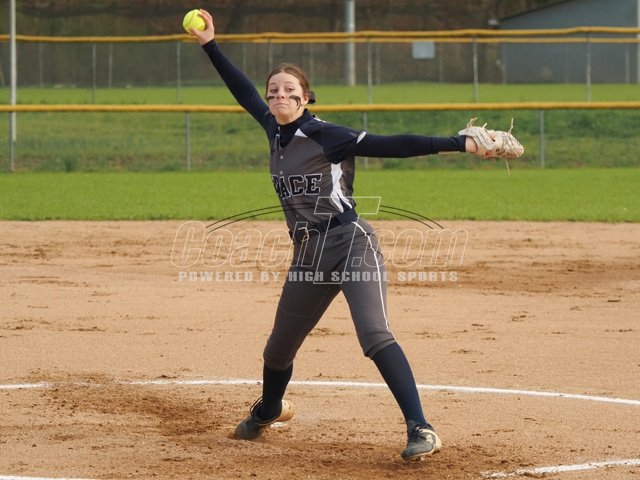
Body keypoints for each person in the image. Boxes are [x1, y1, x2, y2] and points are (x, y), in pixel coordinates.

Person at [189, 9, 522, 462]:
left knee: (374, 333)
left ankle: (421, 428)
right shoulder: (273, 130)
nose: (279, 95)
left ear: (306, 97)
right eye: (274, 91)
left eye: (289, 90)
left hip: (350, 243)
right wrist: (210, 44)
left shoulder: (328, 135)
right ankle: (269, 410)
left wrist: (457, 142)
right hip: (308, 255)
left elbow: (394, 144)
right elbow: (241, 89)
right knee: (278, 349)